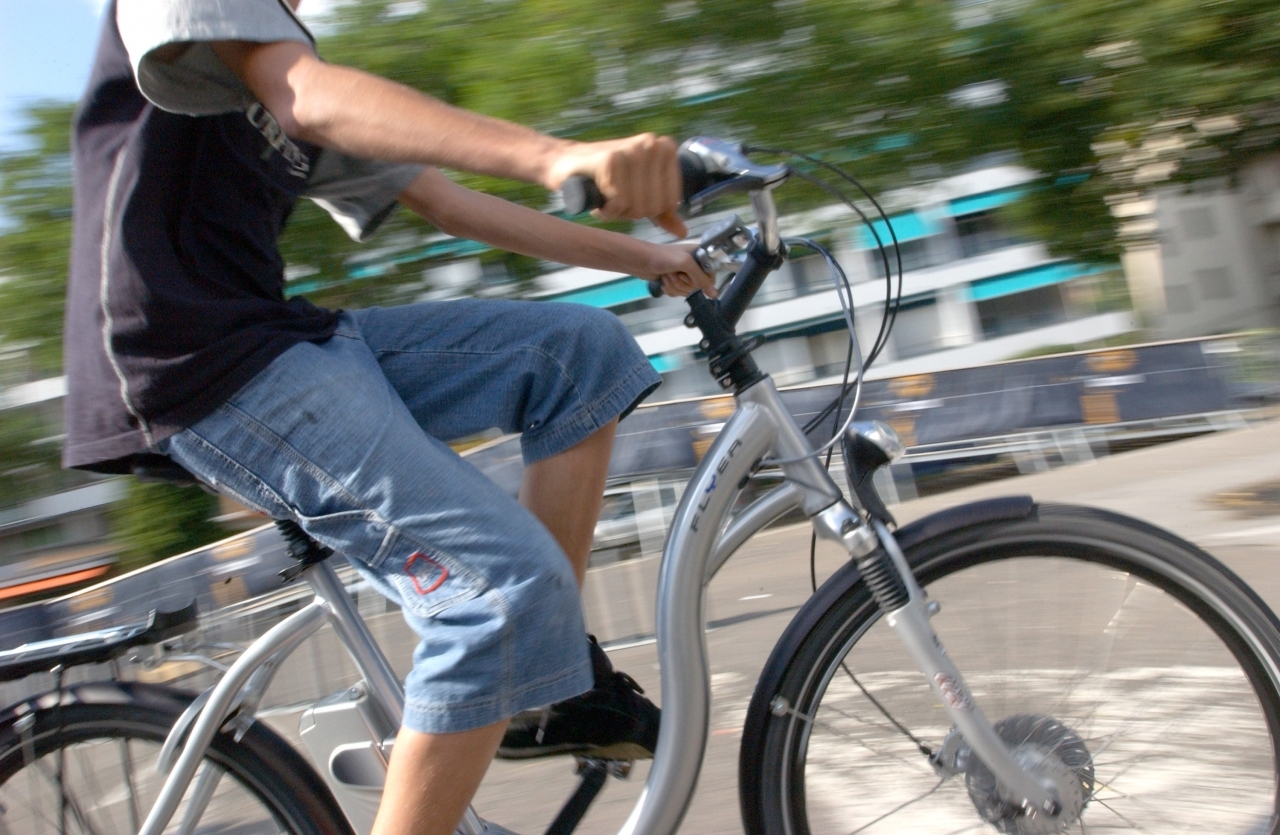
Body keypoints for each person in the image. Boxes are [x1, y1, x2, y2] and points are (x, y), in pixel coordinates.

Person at [64, 2, 714, 834]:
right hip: (195, 365)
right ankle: (511, 639)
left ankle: (541, 691)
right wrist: (557, 156)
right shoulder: (227, 33)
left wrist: (655, 259)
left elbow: (448, 204)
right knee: (498, 592)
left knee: (580, 353)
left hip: (283, 340)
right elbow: (306, 94)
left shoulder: (281, 46)